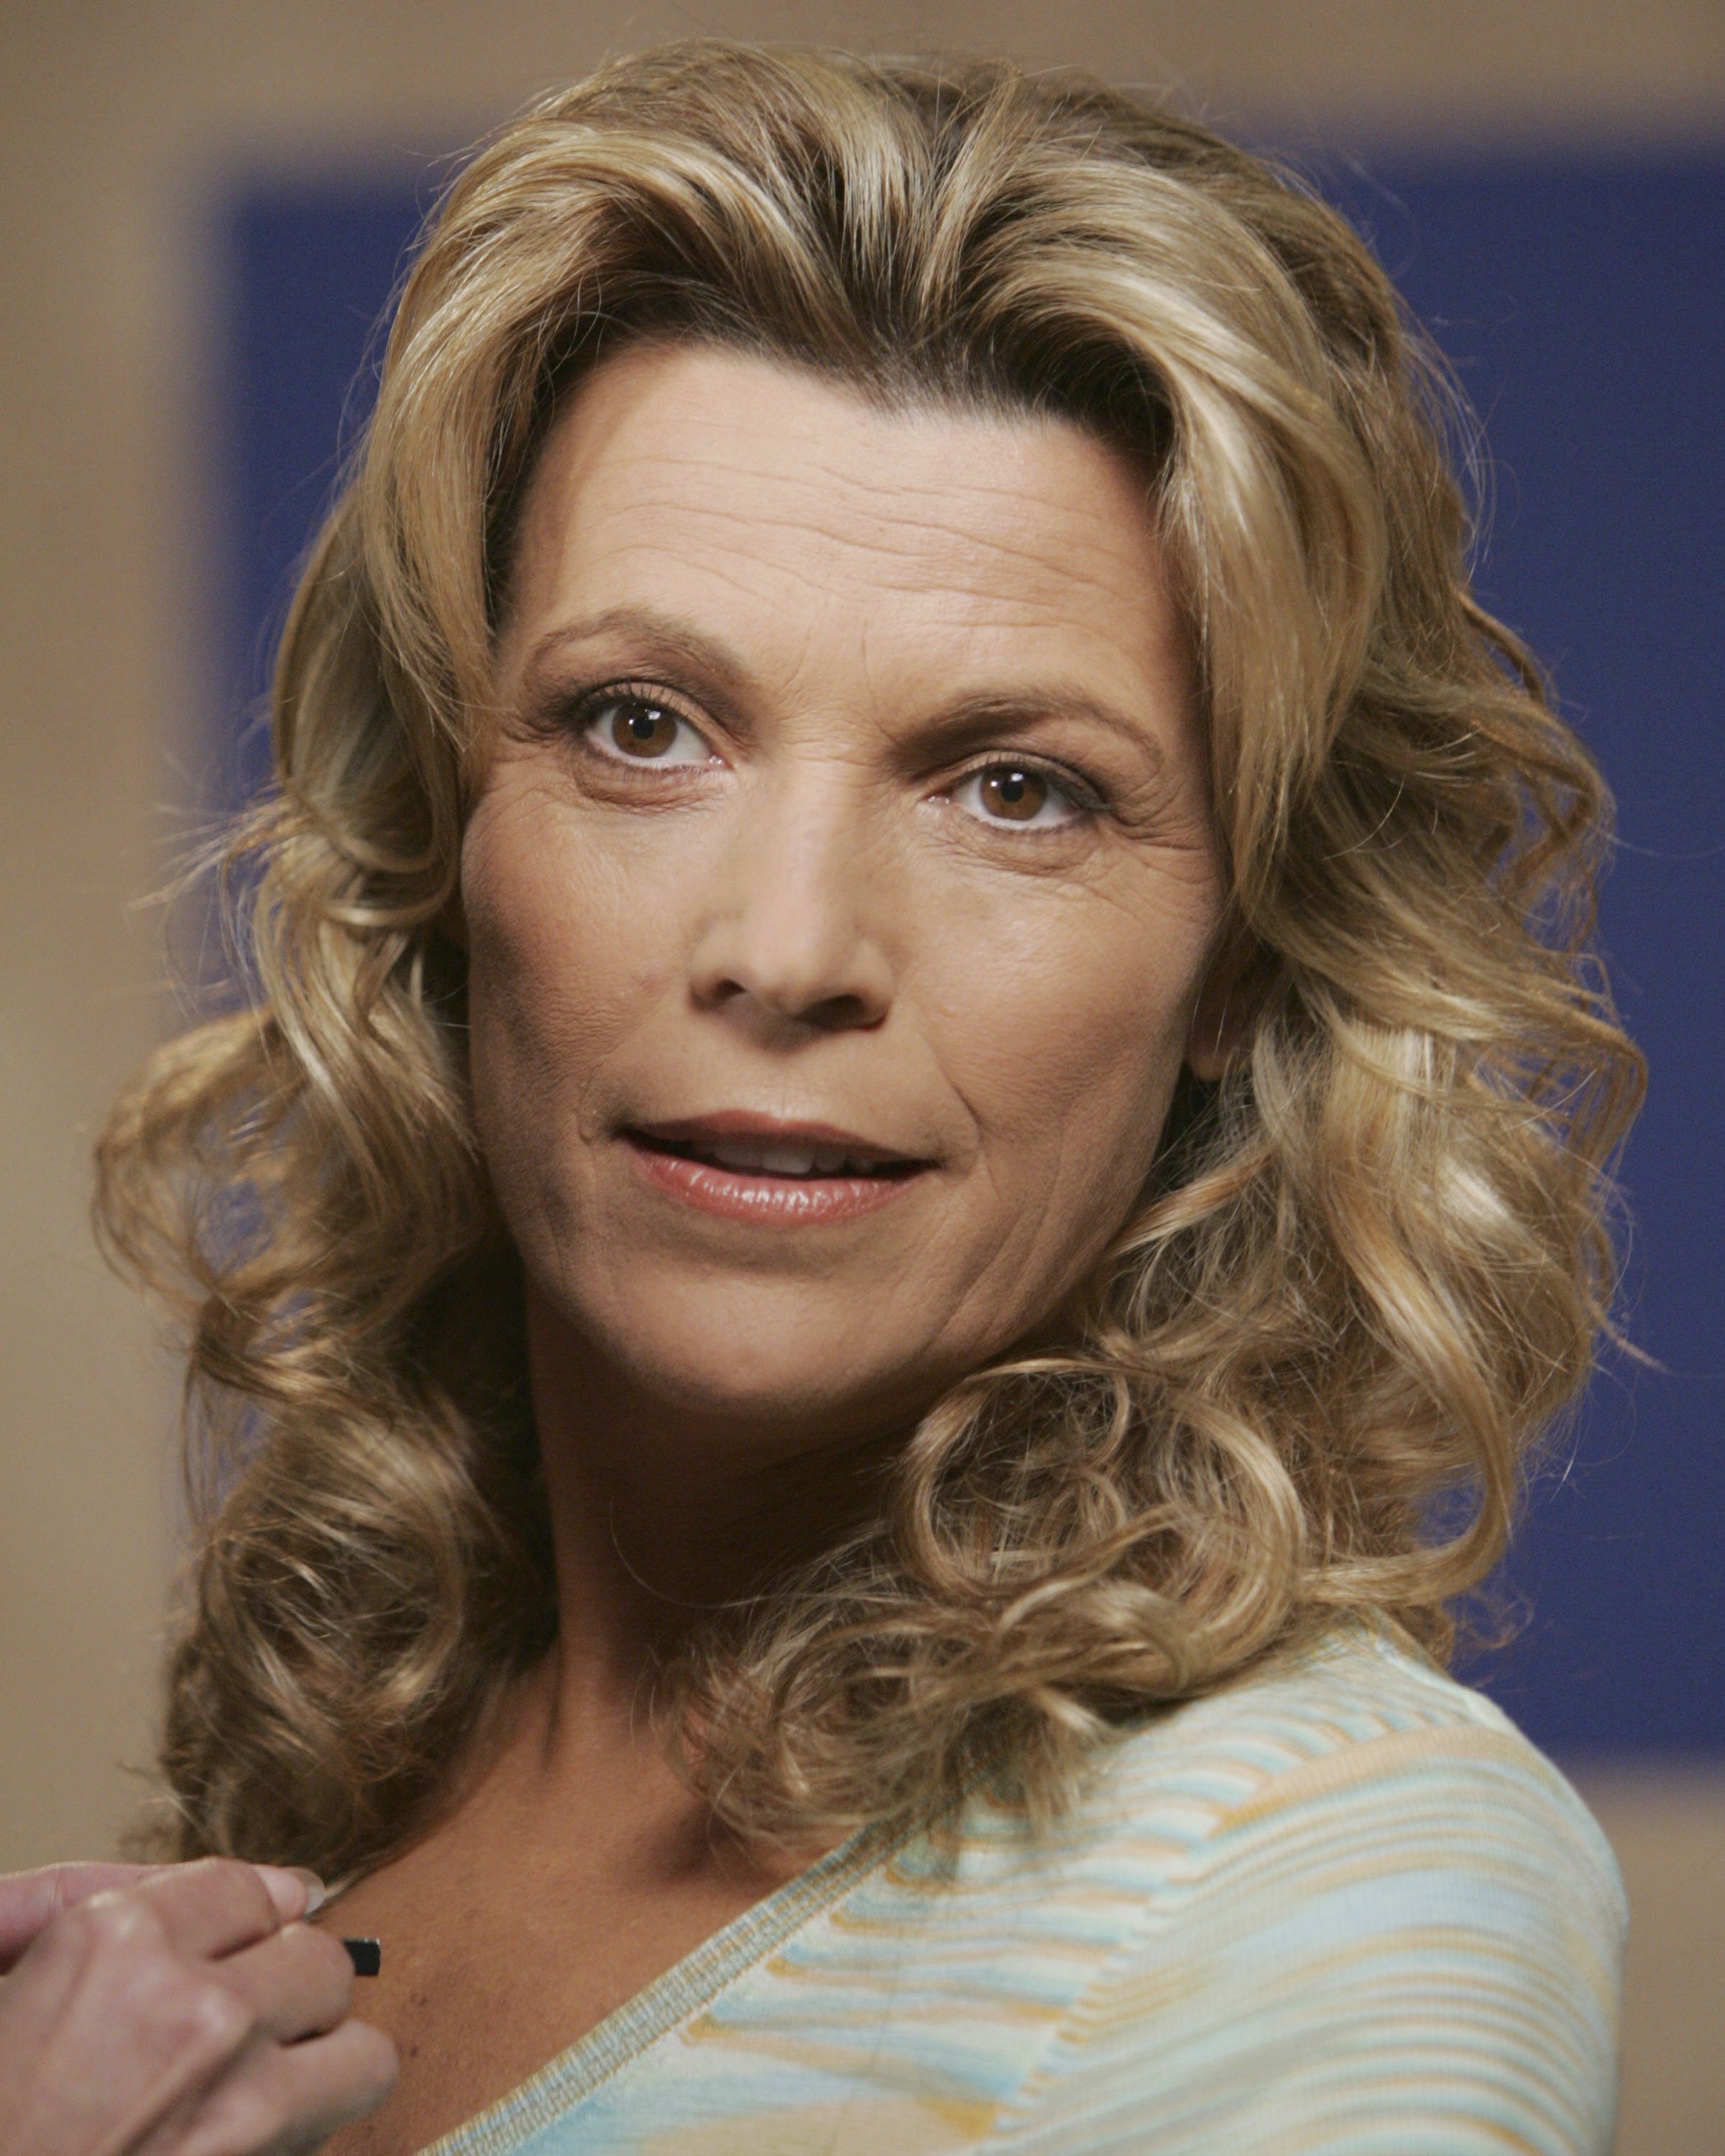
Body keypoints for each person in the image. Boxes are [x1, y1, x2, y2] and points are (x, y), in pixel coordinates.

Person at [14, 39, 1644, 2156]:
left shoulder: (1335, 1884)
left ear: (1249, 958)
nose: (788, 950)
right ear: (444, 831)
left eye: (1018, 790)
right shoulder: (344, 1797)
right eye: (641, 726)